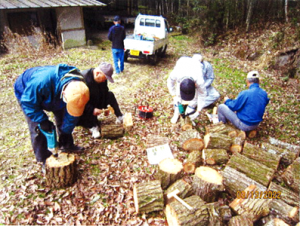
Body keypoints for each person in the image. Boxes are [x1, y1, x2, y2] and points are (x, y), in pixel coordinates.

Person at [14, 64, 90, 166]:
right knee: (38, 127)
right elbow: (28, 103)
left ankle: (66, 144)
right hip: (27, 93)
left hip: (54, 91)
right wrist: (43, 121)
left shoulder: (80, 88)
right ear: (64, 93)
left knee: (63, 116)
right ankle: (44, 159)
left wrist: (65, 132)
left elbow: (72, 116)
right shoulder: (41, 82)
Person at [77, 62, 124, 138]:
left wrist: (105, 107)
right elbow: (79, 101)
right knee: (88, 103)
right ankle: (92, 126)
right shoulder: (84, 79)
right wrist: (92, 110)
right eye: (104, 78)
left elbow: (105, 92)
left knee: (110, 95)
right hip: (85, 104)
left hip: (96, 100)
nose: (104, 80)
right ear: (98, 73)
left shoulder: (102, 79)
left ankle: (119, 116)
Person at [167, 56, 207, 124]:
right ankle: (176, 114)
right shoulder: (176, 73)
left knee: (194, 99)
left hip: (194, 71)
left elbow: (202, 95)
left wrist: (198, 111)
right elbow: (170, 83)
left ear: (195, 85)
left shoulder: (199, 80)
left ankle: (189, 115)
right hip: (182, 65)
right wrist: (174, 96)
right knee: (178, 96)